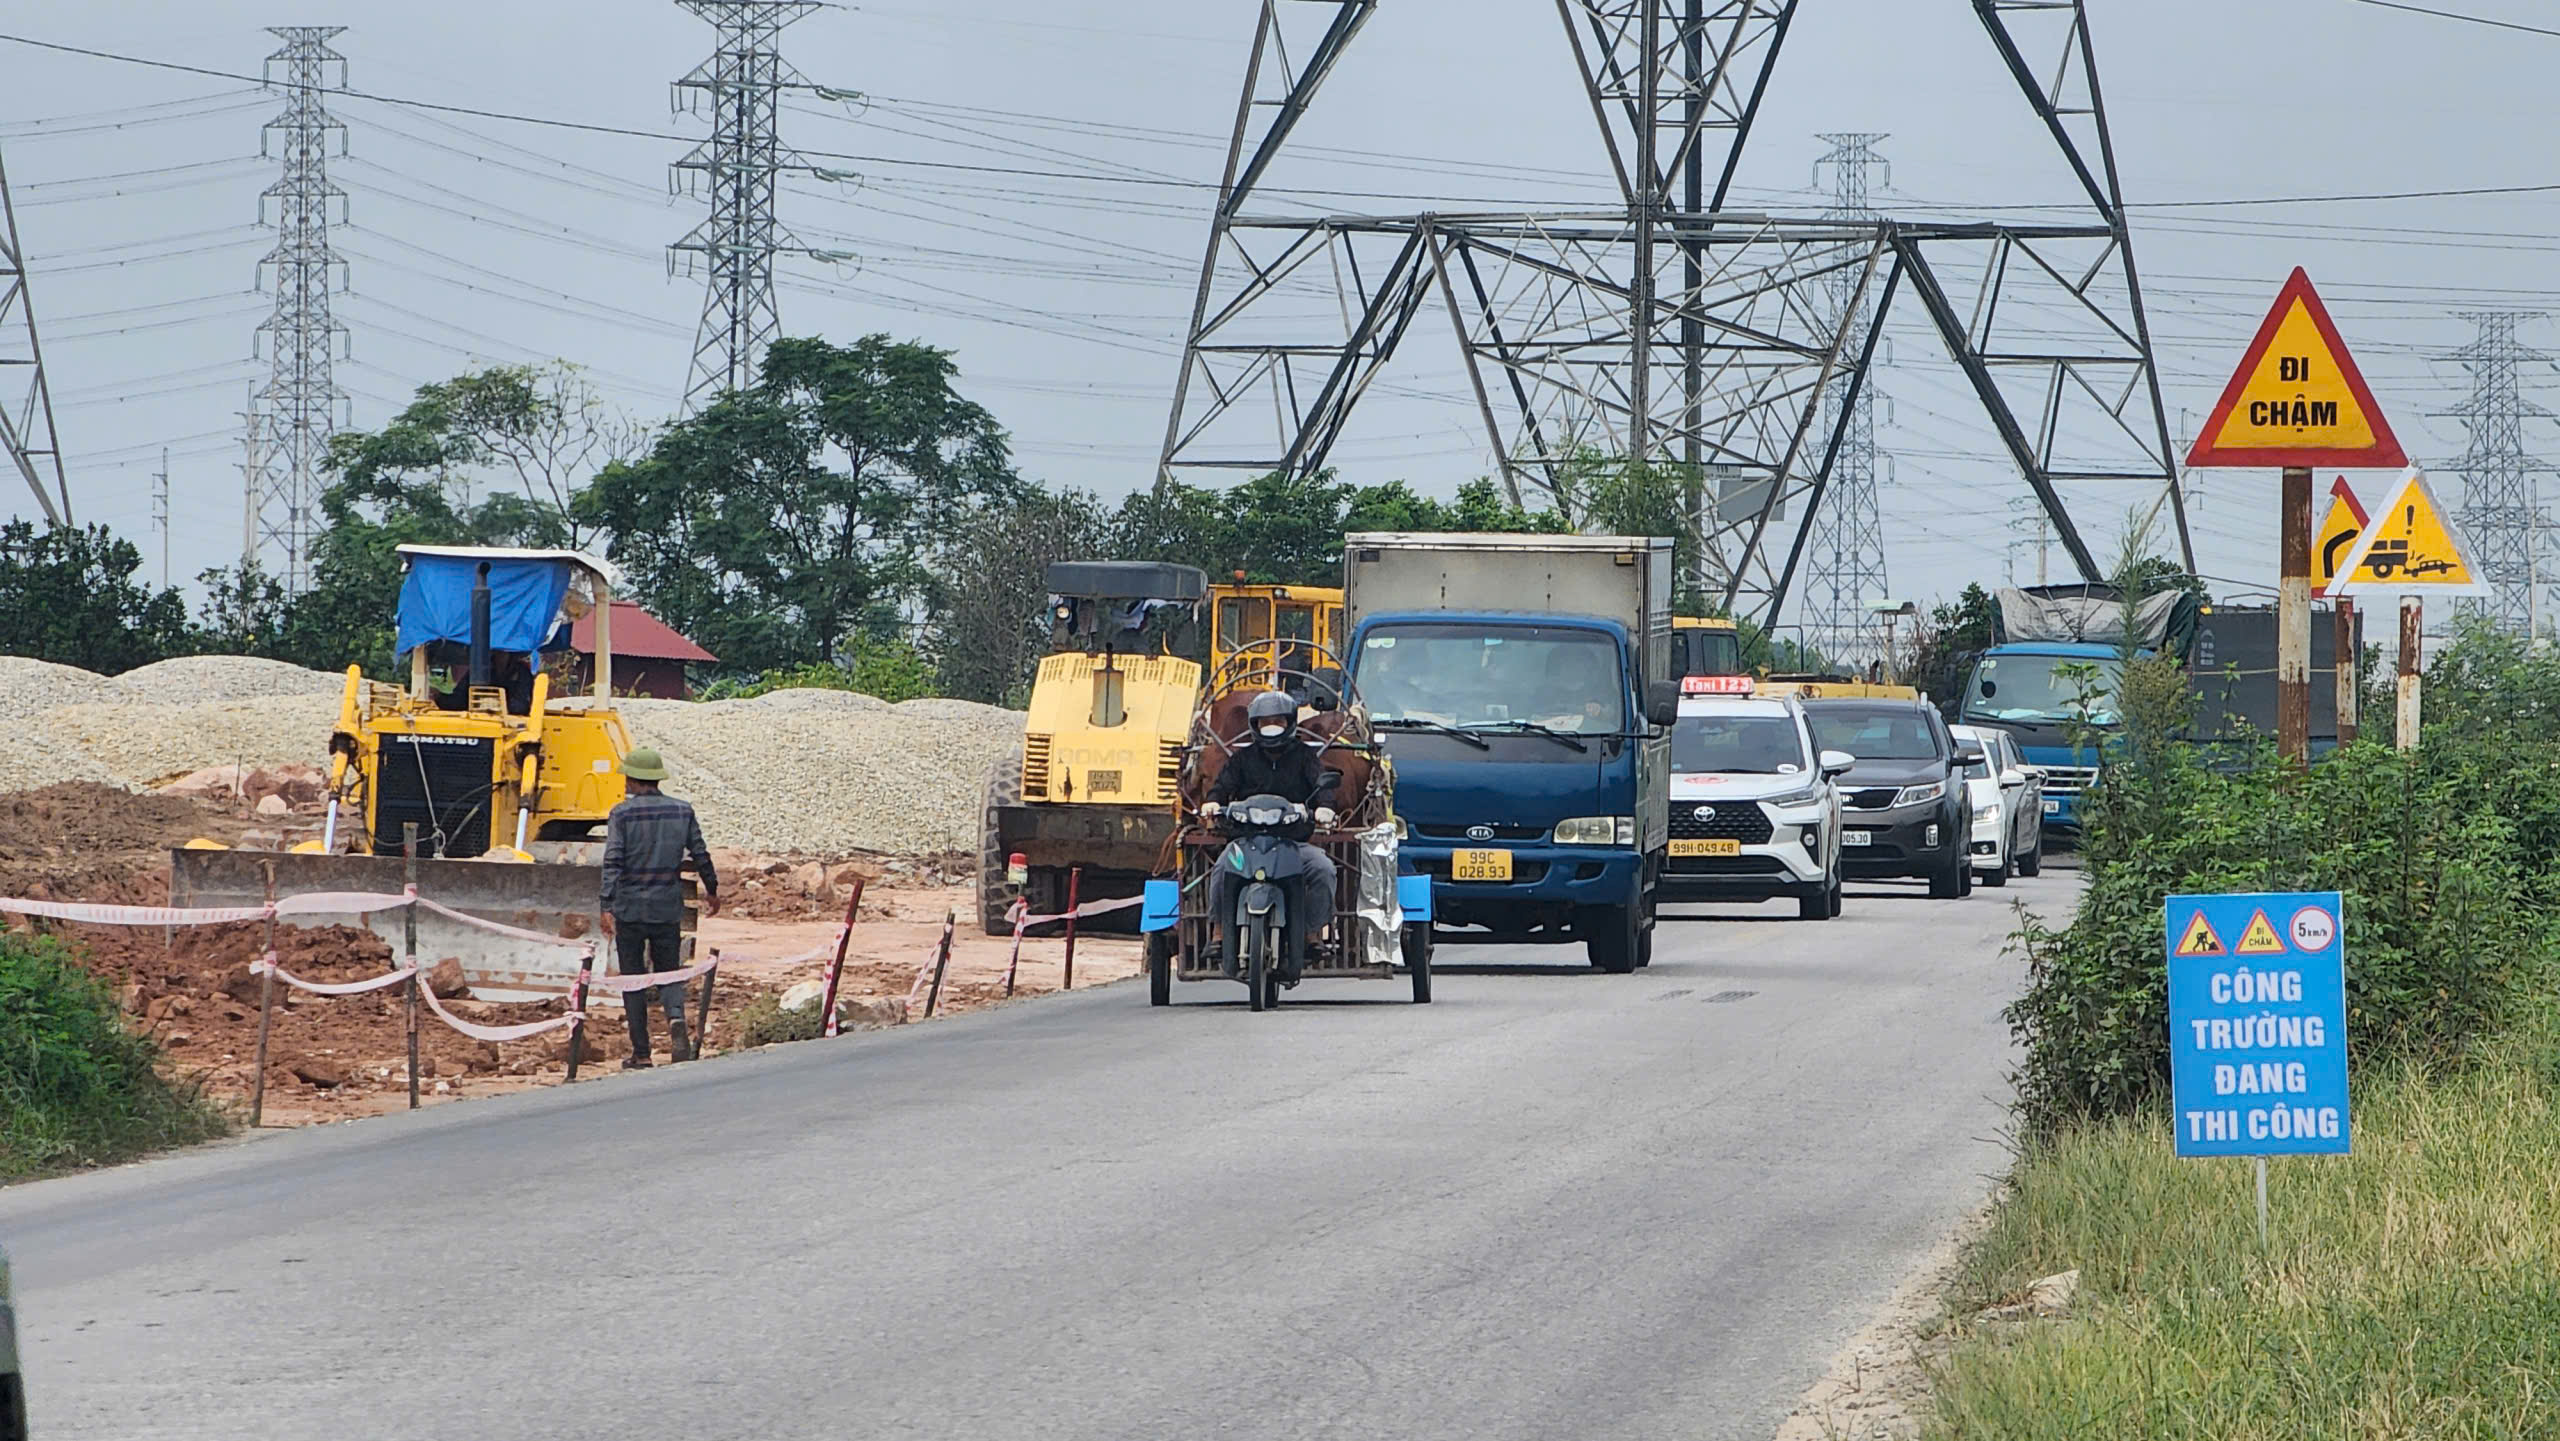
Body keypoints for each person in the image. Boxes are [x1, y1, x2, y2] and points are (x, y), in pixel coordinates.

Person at [1201, 691, 1340, 982]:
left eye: (1278, 720)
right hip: (1246, 841)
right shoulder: (1243, 758)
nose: (1272, 726)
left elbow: (1322, 786)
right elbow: (1223, 785)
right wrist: (1214, 801)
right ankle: (1218, 931)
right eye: (1265, 721)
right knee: (1222, 868)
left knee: (1323, 868)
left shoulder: (1305, 757)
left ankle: (1312, 933)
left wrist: (1324, 808)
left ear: (1290, 723)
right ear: (1255, 725)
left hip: (1293, 842)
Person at [599, 749, 720, 1067]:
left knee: (633, 980)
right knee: (669, 972)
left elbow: (613, 860)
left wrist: (606, 904)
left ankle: (641, 1053)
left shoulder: (621, 814)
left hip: (630, 908)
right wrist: (712, 889)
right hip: (667, 906)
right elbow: (700, 852)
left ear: (635, 779)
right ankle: (676, 1018)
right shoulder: (682, 811)